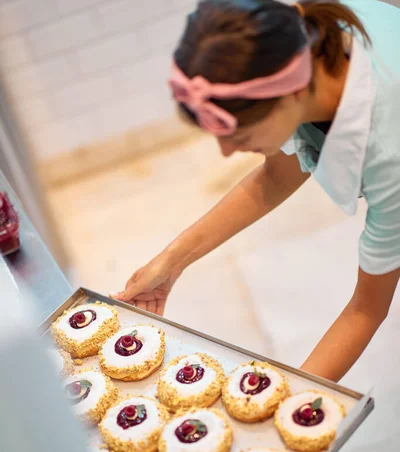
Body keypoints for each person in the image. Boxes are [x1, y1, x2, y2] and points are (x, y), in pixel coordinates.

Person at [112, 0, 400, 383]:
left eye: (240, 137)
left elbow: (366, 310)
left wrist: (284, 404)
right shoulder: (299, 46)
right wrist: (171, 261)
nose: (228, 152)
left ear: (291, 96)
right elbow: (279, 175)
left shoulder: (388, 151)